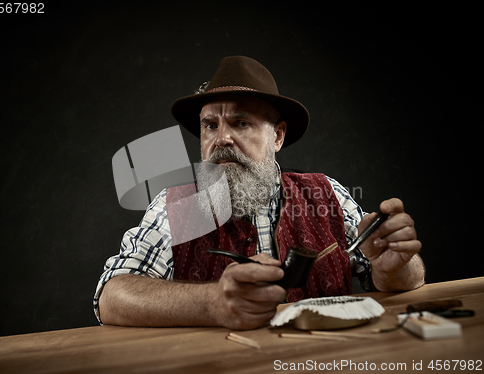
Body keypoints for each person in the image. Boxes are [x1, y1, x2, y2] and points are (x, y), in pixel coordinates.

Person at [94, 56, 424, 330]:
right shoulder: (178, 207)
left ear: (278, 137)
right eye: (210, 125)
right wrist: (210, 303)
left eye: (240, 123)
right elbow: (112, 295)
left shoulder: (328, 195)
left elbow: (393, 281)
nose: (221, 139)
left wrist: (395, 266)